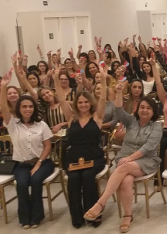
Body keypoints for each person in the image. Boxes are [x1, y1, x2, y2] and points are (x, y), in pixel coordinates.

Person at [84, 82, 162, 233]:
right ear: (138, 109)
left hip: (146, 161)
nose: (145, 110)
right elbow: (119, 110)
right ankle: (128, 216)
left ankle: (100, 203)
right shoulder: (132, 121)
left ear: (153, 111)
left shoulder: (156, 126)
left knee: (123, 166)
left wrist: (131, 158)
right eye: (142, 107)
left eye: (148, 108)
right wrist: (119, 92)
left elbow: (149, 147)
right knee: (125, 180)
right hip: (126, 159)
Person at [52, 68, 108, 228]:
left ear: (90, 103)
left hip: (94, 158)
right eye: (80, 102)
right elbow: (62, 99)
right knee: (74, 180)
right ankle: (77, 218)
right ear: (76, 104)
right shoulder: (71, 118)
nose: (83, 105)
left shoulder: (96, 117)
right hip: (75, 158)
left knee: (89, 177)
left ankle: (93, 215)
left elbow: (103, 99)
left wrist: (103, 79)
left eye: (86, 102)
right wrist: (56, 79)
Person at [0, 70, 54, 229]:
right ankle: (25, 218)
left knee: (36, 181)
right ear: (19, 109)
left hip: (43, 162)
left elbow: (48, 146)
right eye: (24, 106)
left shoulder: (41, 125)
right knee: (22, 184)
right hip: (22, 164)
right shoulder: (13, 124)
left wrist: (38, 164)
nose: (28, 109)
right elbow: (4, 107)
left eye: (30, 106)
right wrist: (4, 86)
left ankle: (36, 217)